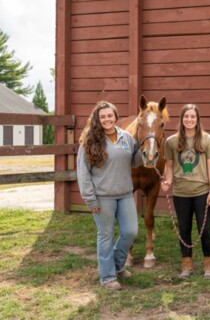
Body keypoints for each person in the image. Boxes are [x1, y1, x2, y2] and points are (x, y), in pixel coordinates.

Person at [77, 101, 142, 291]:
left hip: (125, 194)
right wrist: (90, 199)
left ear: (115, 116)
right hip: (102, 196)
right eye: (103, 116)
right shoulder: (89, 141)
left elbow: (135, 160)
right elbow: (83, 172)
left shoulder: (126, 137)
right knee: (105, 235)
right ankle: (107, 276)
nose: (107, 119)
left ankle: (117, 265)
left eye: (110, 116)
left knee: (130, 232)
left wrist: (147, 154)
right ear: (97, 119)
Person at [161, 104, 210, 279]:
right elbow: (169, 166)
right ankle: (187, 265)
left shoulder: (207, 139)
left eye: (193, 117)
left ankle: (209, 265)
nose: (189, 120)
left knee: (206, 230)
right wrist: (168, 181)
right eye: (186, 117)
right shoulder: (172, 141)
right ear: (182, 119)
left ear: (197, 119)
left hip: (202, 192)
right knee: (184, 229)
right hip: (181, 193)